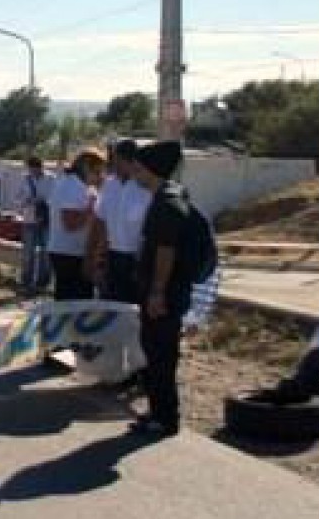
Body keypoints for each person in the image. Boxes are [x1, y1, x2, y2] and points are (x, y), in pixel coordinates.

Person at [128, 140, 195, 438]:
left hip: (165, 295)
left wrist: (157, 292)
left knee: (161, 357)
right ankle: (157, 412)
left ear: (151, 170)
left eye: (139, 168)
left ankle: (165, 419)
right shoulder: (169, 196)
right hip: (163, 292)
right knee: (155, 355)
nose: (135, 173)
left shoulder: (167, 203)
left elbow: (165, 251)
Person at [92, 140, 149, 302]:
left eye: (117, 160)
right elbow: (102, 224)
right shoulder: (109, 185)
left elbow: (151, 230)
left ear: (130, 161)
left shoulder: (145, 188)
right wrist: (98, 262)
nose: (113, 164)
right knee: (109, 307)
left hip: (137, 260)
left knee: (132, 309)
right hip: (112, 258)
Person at [47, 148, 106, 301]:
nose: (99, 177)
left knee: (71, 301)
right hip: (70, 254)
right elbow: (70, 223)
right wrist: (92, 208)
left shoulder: (72, 184)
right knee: (74, 302)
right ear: (86, 167)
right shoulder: (72, 187)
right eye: (97, 172)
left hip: (68, 252)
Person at [16, 156, 51, 296]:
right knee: (28, 253)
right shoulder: (24, 179)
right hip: (30, 220)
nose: (33, 172)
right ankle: (26, 282)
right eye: (31, 169)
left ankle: (42, 283)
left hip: (46, 221)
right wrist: (27, 200)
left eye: (35, 169)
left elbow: (55, 197)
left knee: (46, 253)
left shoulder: (51, 179)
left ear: (40, 167)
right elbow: (17, 199)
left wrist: (43, 201)